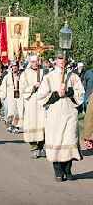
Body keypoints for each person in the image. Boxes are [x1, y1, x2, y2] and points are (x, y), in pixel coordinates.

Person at [37, 53, 85, 182]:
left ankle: (68, 169)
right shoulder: (48, 77)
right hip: (54, 115)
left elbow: (81, 94)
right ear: (55, 61)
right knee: (56, 141)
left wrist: (70, 92)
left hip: (70, 114)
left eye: (63, 59)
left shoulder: (73, 77)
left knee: (69, 140)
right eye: (59, 59)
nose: (62, 61)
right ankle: (58, 171)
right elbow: (41, 97)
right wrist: (56, 94)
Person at [19, 55, 45, 159]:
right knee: (32, 124)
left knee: (43, 124)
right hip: (31, 103)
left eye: (36, 61)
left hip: (43, 102)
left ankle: (41, 147)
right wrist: (33, 87)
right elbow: (22, 88)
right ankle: (34, 148)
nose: (35, 63)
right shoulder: (25, 74)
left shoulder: (44, 72)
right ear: (30, 62)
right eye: (33, 62)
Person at [0, 61, 23, 133]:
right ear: (11, 67)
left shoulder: (22, 76)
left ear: (18, 67)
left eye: (16, 66)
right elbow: (3, 86)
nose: (14, 68)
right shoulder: (7, 77)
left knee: (18, 112)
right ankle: (9, 125)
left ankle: (16, 126)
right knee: (11, 111)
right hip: (10, 96)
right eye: (13, 66)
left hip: (19, 96)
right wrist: (2, 95)